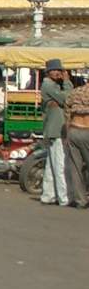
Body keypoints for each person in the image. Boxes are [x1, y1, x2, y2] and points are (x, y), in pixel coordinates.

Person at [39, 59, 75, 207]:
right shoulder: (48, 85)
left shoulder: (53, 85)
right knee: (60, 165)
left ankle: (48, 195)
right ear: (48, 72)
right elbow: (67, 98)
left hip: (52, 129)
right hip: (56, 130)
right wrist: (67, 82)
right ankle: (64, 197)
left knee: (51, 165)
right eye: (55, 70)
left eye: (59, 70)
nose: (58, 73)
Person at [63, 76, 89, 209]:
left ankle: (80, 200)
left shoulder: (75, 92)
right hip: (87, 131)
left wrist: (67, 133)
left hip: (73, 130)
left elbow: (66, 111)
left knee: (76, 167)